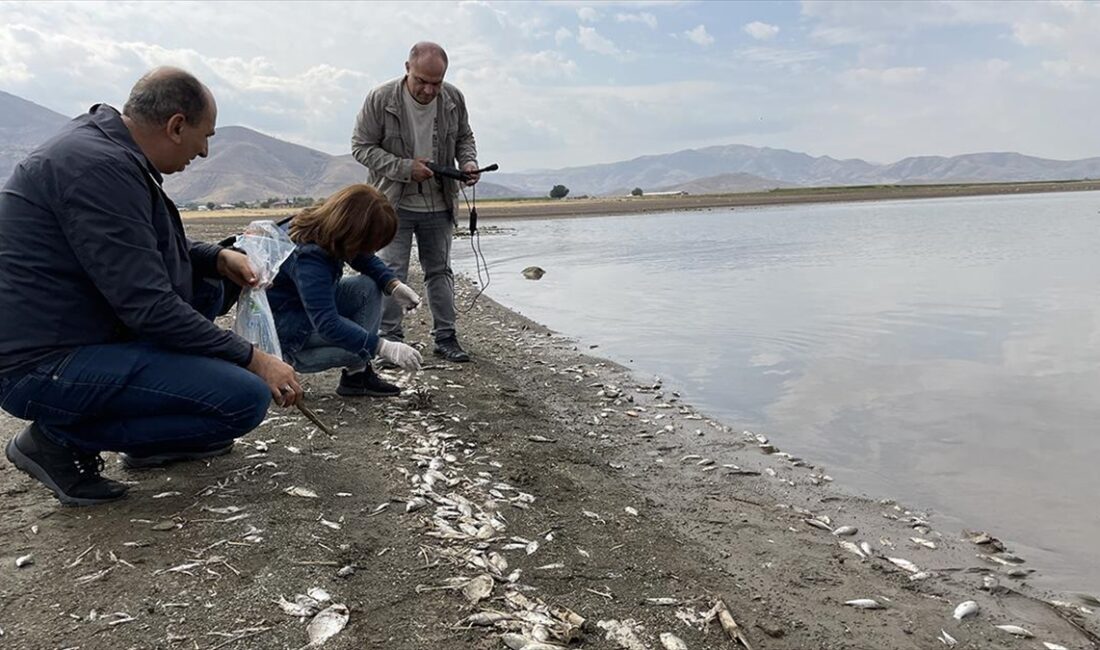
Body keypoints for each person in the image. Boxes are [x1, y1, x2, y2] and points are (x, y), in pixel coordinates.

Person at [0, 67, 302, 506]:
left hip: (74, 332)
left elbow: (136, 244)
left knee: (209, 287)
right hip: (40, 365)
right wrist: (256, 359)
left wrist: (215, 257)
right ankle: (57, 441)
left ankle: (151, 440)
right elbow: (149, 307)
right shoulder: (98, 168)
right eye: (205, 137)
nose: (204, 152)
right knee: (243, 398)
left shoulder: (105, 151)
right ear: (176, 126)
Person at [351, 41, 480, 363]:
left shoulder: (453, 98)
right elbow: (361, 147)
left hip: (440, 202)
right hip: (391, 205)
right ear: (407, 68)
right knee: (391, 272)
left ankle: (446, 338)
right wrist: (405, 168)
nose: (429, 90)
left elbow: (464, 137)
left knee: (440, 271)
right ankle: (390, 340)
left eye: (436, 83)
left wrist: (468, 162)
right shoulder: (380, 98)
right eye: (422, 81)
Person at [268, 184, 424, 396]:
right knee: (361, 346)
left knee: (368, 287)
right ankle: (355, 368)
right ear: (354, 232)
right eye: (370, 243)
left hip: (301, 309)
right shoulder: (309, 258)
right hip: (290, 335)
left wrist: (393, 285)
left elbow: (362, 257)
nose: (372, 250)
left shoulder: (325, 225)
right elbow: (328, 324)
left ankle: (357, 375)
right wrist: (382, 347)